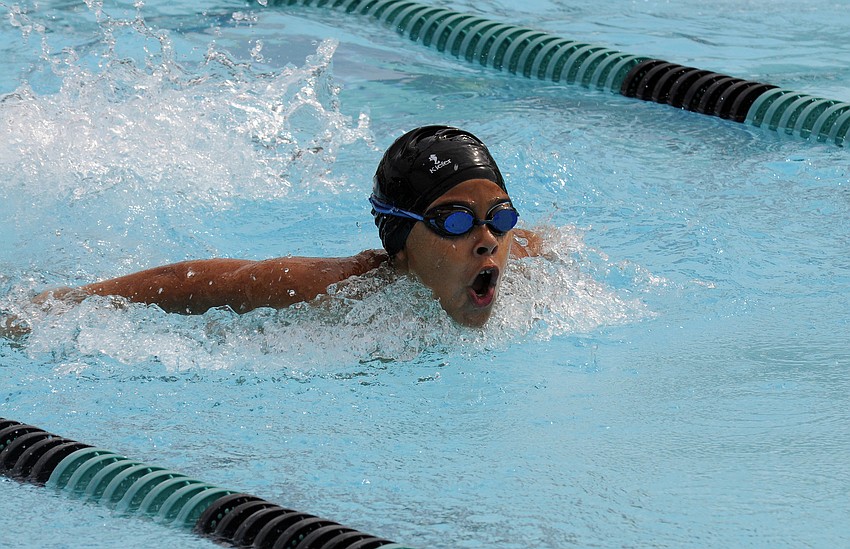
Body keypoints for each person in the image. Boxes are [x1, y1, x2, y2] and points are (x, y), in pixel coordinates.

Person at [34, 125, 540, 327]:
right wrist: (63, 304)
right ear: (401, 244)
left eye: (500, 217)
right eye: (454, 221)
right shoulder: (334, 292)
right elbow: (198, 282)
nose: (487, 241)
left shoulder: (520, 262)